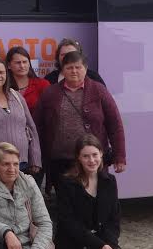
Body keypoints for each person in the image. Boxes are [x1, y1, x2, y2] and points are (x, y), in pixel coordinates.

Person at [35, 50, 127, 188]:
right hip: (61, 161)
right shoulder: (50, 92)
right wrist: (38, 157)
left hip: (92, 161)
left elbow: (115, 124)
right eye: (69, 68)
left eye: (78, 67)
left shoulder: (98, 90)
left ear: (85, 69)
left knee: (94, 199)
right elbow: (38, 125)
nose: (74, 71)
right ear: (62, 70)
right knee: (66, 203)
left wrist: (119, 157)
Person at [53, 135, 126, 249]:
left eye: (94, 154)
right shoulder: (67, 183)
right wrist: (98, 245)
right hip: (75, 245)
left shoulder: (109, 181)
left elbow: (114, 220)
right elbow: (69, 224)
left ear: (101, 154)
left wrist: (109, 245)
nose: (91, 160)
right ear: (78, 157)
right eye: (86, 156)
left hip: (99, 243)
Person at [6, 46, 49, 111]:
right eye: (18, 62)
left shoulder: (42, 84)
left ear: (29, 64)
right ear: (9, 65)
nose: (22, 66)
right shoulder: (4, 87)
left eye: (25, 62)